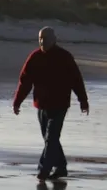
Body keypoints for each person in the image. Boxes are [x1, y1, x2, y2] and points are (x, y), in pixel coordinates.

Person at [12, 26, 89, 181]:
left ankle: (44, 169)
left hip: (59, 105)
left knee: (51, 138)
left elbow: (76, 80)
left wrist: (83, 101)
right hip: (41, 105)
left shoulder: (64, 57)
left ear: (54, 40)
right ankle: (61, 167)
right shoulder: (35, 57)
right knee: (50, 139)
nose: (42, 41)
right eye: (40, 38)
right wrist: (17, 102)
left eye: (45, 38)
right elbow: (25, 81)